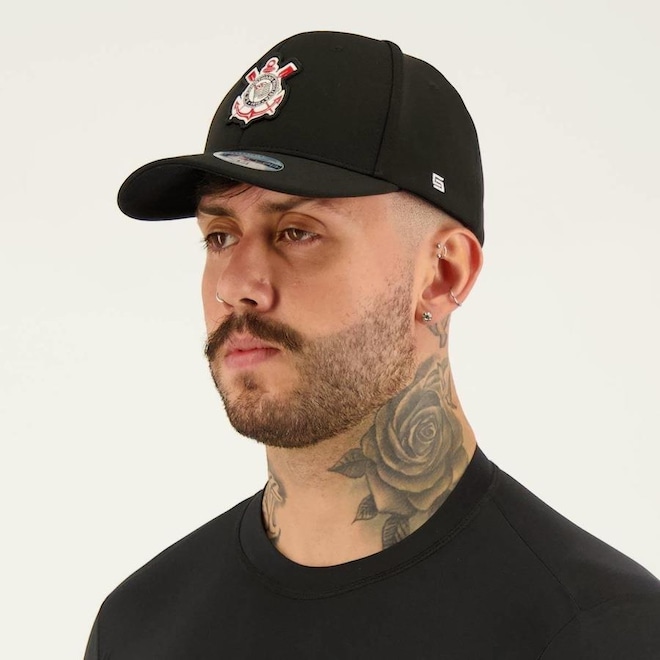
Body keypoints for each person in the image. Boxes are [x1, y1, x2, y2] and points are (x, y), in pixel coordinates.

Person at [84, 31, 660, 659]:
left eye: (297, 232)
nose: (236, 285)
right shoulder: (138, 628)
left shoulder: (599, 633)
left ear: (442, 273)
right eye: (220, 236)